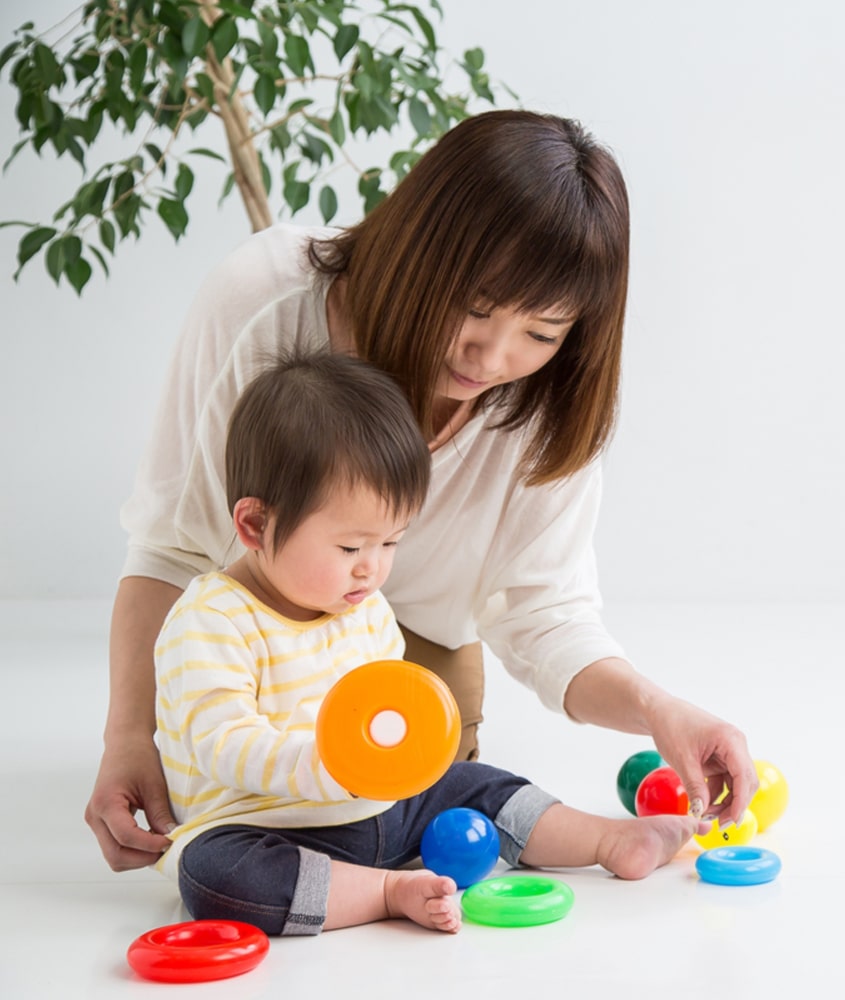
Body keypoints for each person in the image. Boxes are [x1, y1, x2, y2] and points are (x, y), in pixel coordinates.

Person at [86, 109, 757, 873]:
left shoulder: (549, 403)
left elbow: (545, 615)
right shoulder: (266, 300)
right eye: (474, 306)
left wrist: (656, 709)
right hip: (258, 640)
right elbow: (171, 545)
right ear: (418, 247)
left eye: (541, 333)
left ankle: (596, 842)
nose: (494, 356)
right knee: (248, 826)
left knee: (436, 790)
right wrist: (128, 740)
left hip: (405, 658)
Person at [157, 349, 707, 936]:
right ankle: (385, 892)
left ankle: (606, 839)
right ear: (254, 526)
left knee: (472, 783)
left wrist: (408, 754)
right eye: (350, 548)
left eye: (390, 543)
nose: (372, 569)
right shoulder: (210, 621)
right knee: (213, 876)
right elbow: (223, 742)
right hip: (269, 827)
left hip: (382, 809)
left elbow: (390, 705)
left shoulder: (362, 609)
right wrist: (334, 766)